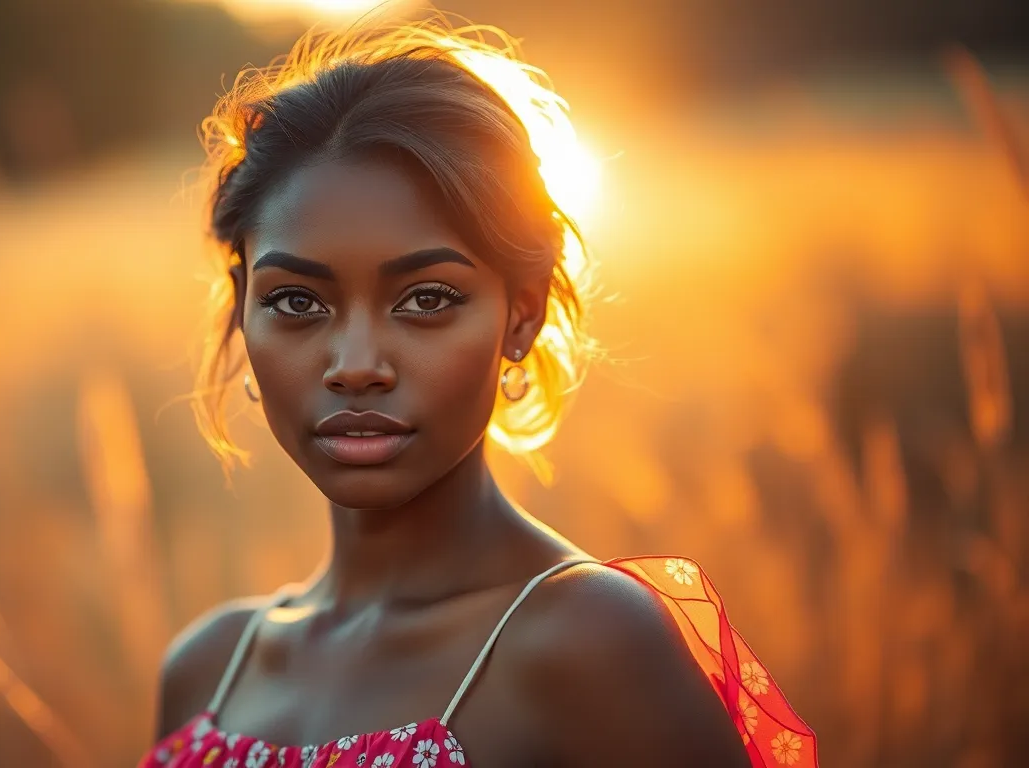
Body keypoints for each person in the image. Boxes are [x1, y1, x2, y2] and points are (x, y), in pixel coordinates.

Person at [140, 17, 816, 768]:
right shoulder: (206, 671)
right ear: (242, 309)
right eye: (298, 302)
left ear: (520, 314)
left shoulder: (588, 643)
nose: (356, 364)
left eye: (426, 299)